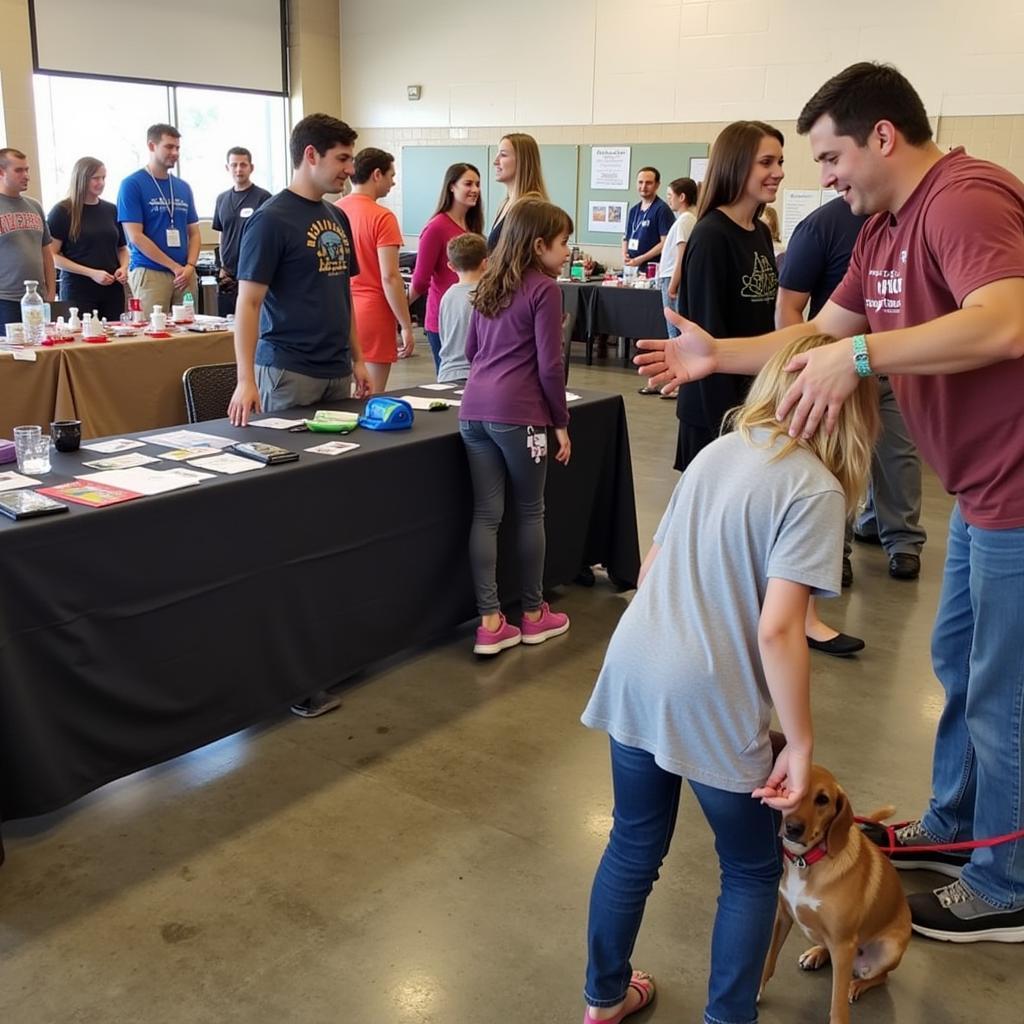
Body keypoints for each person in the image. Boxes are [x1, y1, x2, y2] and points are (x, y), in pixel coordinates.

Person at [636, 61, 1024, 943]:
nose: (825, 174)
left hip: (1017, 487)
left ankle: (1009, 883)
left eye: (831, 154)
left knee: (1006, 689)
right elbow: (820, 331)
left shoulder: (964, 198)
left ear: (882, 135)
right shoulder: (882, 229)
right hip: (978, 484)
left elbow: (1006, 320)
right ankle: (961, 822)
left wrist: (862, 361)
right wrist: (718, 357)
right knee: (960, 660)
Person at [581, 333, 879, 1024]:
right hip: (705, 696)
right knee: (748, 869)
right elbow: (780, 629)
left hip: (634, 666)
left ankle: (603, 998)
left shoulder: (719, 451)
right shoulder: (816, 489)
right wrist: (799, 746)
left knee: (633, 840)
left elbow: (653, 570)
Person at [227, 113, 372, 718]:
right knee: (291, 506)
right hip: (286, 375)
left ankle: (334, 633)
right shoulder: (270, 220)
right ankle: (291, 669)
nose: (348, 170)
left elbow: (342, 297)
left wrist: (361, 359)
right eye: (341, 160)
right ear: (311, 155)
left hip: (338, 371)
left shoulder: (335, 216)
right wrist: (244, 380)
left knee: (334, 502)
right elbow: (248, 302)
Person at [779, 194, 927, 589]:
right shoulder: (819, 227)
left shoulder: (903, 224)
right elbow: (791, 308)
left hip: (895, 366)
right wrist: (803, 364)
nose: (830, 175)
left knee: (899, 457)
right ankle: (834, 550)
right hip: (836, 370)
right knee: (836, 459)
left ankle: (902, 542)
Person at [459, 198, 572, 656]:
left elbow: (471, 351)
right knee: (530, 511)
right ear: (539, 244)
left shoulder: (487, 284)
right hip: (518, 416)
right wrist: (559, 422)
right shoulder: (544, 290)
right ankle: (531, 614)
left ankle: (490, 622)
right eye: (564, 243)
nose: (568, 251)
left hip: (473, 412)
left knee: (486, 516)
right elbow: (551, 366)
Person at [673, 122, 784, 473]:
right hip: (716, 411)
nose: (778, 173)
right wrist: (727, 425)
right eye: (766, 162)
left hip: (754, 401)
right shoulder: (711, 237)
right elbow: (708, 334)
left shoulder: (761, 232)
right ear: (736, 165)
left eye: (780, 162)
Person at [336, 148, 415, 393]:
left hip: (338, 310)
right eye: (392, 175)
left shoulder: (333, 210)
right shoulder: (382, 217)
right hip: (372, 312)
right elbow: (390, 277)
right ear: (377, 174)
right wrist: (406, 325)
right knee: (370, 396)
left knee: (338, 398)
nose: (393, 182)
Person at [116, 124, 200, 317]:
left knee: (188, 332)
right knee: (152, 334)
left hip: (184, 274)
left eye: (177, 148)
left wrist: (190, 266)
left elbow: (194, 233)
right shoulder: (132, 184)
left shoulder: (182, 187)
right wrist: (174, 266)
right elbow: (135, 236)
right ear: (152, 146)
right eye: (169, 147)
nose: (175, 152)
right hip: (150, 271)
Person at [408, 162, 483, 371]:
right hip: (446, 320)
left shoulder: (472, 225)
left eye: (478, 184)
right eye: (468, 184)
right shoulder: (436, 227)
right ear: (452, 187)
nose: (475, 190)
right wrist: (400, 318)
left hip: (471, 317)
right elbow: (420, 280)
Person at [46, 157, 128, 323]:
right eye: (96, 178)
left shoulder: (111, 209)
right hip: (79, 290)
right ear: (82, 179)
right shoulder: (62, 211)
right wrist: (91, 273)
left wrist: (124, 268)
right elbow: (52, 256)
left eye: (104, 178)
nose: (101, 183)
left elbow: (122, 248)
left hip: (112, 289)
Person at [639, 177, 697, 395]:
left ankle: (678, 382)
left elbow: (681, 255)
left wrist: (673, 283)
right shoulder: (687, 220)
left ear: (682, 197)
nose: (669, 200)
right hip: (669, 278)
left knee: (675, 332)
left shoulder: (684, 221)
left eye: (671, 195)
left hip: (671, 279)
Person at [211, 147, 271, 316]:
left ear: (251, 167)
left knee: (253, 322)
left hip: (254, 273)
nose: (239, 169)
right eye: (234, 165)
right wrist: (222, 266)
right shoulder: (221, 199)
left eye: (243, 165)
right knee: (226, 326)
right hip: (228, 275)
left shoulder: (263, 197)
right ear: (227, 168)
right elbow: (221, 233)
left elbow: (268, 236)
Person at [0, 147, 55, 324]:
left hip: (37, 298)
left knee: (40, 350)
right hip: (6, 299)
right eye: (18, 170)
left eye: (27, 169)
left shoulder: (35, 206)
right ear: (1, 172)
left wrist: (51, 293)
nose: (26, 175)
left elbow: (47, 254)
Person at [437, 232, 487, 384]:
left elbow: (443, 335)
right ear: (486, 263)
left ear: (451, 266)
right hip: (476, 374)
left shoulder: (447, 296)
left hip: (447, 374)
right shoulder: (487, 295)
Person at [488, 133, 549, 251]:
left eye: (503, 155)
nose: (495, 161)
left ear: (522, 161)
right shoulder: (506, 204)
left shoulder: (531, 209)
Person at [621, 167, 675, 274]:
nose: (643, 187)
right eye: (640, 182)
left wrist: (641, 259)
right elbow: (626, 237)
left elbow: (665, 243)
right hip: (632, 268)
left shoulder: (662, 209)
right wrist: (624, 254)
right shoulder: (634, 210)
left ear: (657, 185)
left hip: (652, 270)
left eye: (648, 183)